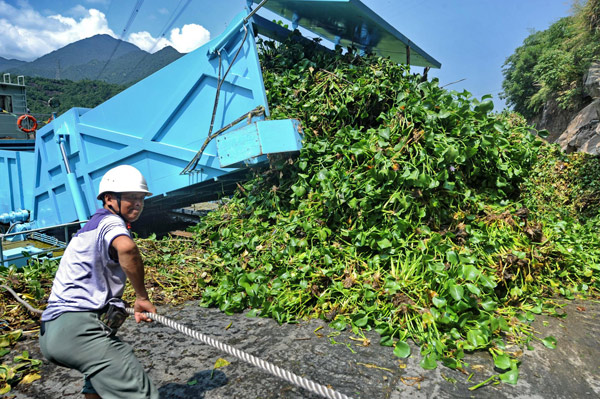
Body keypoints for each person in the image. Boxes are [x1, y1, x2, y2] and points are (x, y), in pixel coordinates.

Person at [40, 165, 159, 399]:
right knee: (139, 392)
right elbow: (127, 248)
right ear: (109, 199)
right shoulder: (110, 222)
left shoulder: (88, 228)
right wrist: (142, 298)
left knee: (98, 380)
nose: (138, 203)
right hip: (76, 328)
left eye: (141, 199)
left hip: (53, 332)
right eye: (131, 197)